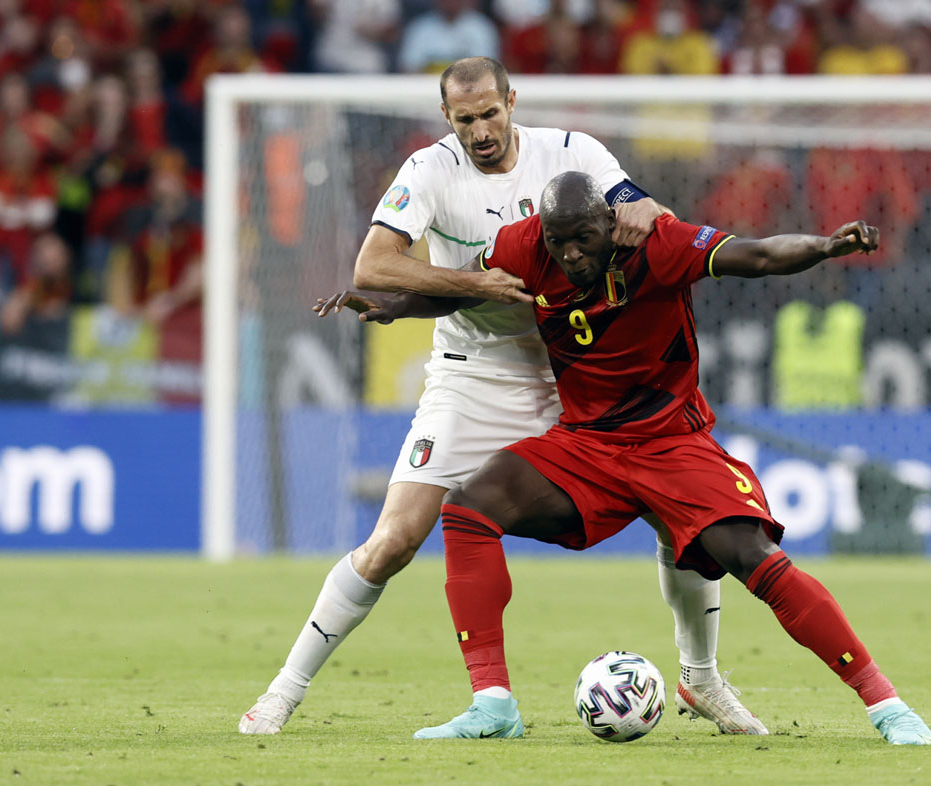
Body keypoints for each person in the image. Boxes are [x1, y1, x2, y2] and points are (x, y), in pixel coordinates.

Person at [239, 57, 765, 737]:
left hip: (571, 379)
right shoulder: (429, 171)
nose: (482, 131)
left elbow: (644, 209)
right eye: (466, 120)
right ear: (446, 119)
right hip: (471, 376)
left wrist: (643, 210)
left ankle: (702, 679)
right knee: (394, 540)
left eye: (491, 113)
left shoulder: (572, 153)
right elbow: (374, 264)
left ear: (511, 101)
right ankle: (284, 691)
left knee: (680, 517)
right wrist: (475, 284)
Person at [384, 170, 931, 744]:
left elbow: (760, 256)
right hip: (587, 444)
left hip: (672, 441)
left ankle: (885, 704)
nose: (569, 255)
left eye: (582, 240)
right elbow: (461, 286)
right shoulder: (524, 243)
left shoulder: (658, 244)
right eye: (556, 242)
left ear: (608, 223)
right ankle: (492, 702)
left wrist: (826, 246)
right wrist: (392, 304)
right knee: (469, 510)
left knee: (755, 559)